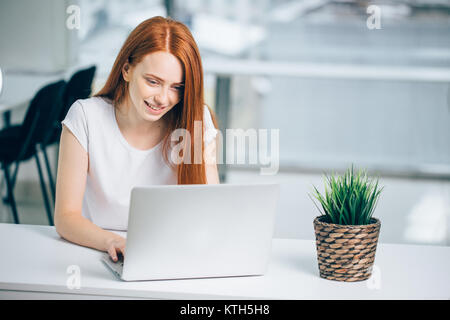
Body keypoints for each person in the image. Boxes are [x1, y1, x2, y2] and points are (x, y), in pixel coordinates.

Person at [54, 16, 220, 262]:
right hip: (98, 252)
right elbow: (66, 218)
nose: (163, 99)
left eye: (177, 87)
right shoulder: (86, 116)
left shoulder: (195, 119)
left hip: (172, 254)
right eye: (153, 82)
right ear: (127, 69)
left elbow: (212, 207)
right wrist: (113, 241)